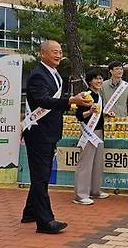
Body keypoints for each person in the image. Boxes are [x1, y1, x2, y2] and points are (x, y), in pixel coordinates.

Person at [21, 40, 92, 234]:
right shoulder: (37, 75)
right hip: (38, 133)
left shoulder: (55, 75)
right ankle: (45, 222)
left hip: (49, 131)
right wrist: (71, 101)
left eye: (60, 51)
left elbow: (55, 101)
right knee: (41, 177)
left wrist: (77, 102)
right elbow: (42, 100)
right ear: (42, 54)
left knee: (41, 175)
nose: (59, 55)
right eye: (54, 52)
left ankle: (30, 212)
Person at [73, 69, 109, 205]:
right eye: (96, 79)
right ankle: (80, 195)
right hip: (89, 132)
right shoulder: (85, 95)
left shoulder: (98, 95)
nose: (99, 81)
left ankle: (95, 190)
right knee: (86, 164)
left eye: (101, 79)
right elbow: (79, 115)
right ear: (89, 81)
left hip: (99, 132)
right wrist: (90, 111)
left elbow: (98, 113)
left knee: (97, 163)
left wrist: (105, 114)